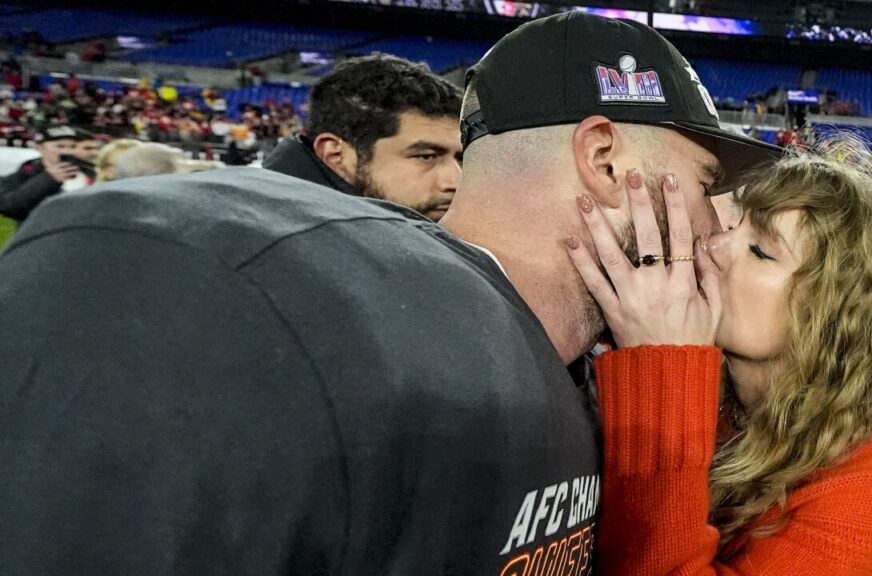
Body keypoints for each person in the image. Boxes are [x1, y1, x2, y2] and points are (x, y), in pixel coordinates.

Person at [0, 13, 779, 575]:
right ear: (605, 159)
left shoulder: (572, 358)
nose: (716, 220)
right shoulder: (254, 283)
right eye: (708, 182)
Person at [566, 138, 872, 574]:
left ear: (837, 314)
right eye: (734, 228)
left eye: (760, 251)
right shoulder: (718, 403)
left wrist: (661, 365)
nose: (713, 247)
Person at [263, 53, 464, 222]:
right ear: (335, 156)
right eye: (426, 156)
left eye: (460, 158)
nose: (455, 182)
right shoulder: (268, 246)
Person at [0, 125, 79, 221]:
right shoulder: (26, 171)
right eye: (60, 146)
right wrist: (48, 179)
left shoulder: (87, 170)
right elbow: (9, 207)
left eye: (73, 146)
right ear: (40, 147)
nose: (68, 151)